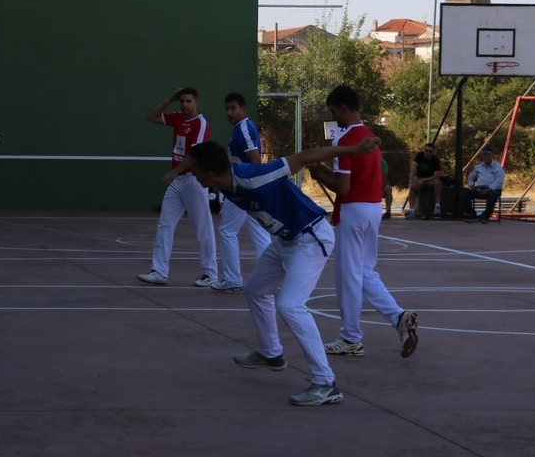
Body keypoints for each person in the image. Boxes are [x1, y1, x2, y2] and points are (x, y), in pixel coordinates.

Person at [188, 135, 380, 406]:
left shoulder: (256, 178)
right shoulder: (224, 179)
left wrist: (354, 149)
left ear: (208, 174)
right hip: (287, 240)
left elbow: (305, 156)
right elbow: (231, 160)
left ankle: (325, 383)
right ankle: (271, 353)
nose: (192, 174)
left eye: (194, 170)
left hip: (310, 237)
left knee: (290, 305)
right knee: (255, 289)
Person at [305, 85, 418, 360]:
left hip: (353, 210)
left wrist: (319, 173)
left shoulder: (346, 142)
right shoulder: (370, 137)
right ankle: (398, 317)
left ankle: (351, 337)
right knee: (365, 272)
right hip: (372, 208)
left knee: (348, 277)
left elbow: (342, 187)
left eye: (333, 111)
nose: (333, 117)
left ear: (343, 108)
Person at [138, 88, 218, 287]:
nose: (184, 105)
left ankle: (211, 273)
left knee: (203, 228)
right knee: (165, 224)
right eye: (181, 101)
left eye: (188, 101)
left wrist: (173, 172)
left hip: (194, 181)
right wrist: (170, 99)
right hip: (177, 183)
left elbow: (195, 155)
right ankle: (159, 271)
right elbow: (151, 116)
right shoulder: (177, 118)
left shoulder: (201, 124)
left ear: (196, 103)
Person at [208, 93, 273, 292]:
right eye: (227, 109)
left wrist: (245, 183)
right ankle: (271, 276)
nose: (229, 112)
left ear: (243, 109)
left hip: (241, 187)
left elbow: (255, 161)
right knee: (259, 231)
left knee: (227, 230)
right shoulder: (241, 127)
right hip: (249, 187)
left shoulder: (244, 128)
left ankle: (233, 279)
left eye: (233, 108)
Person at [462, 147, 506, 222]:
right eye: (484, 155)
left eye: (488, 155)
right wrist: (471, 185)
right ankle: (471, 214)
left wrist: (488, 189)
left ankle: (485, 216)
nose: (486, 157)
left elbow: (499, 181)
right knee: (464, 194)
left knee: (493, 195)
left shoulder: (498, 167)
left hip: (493, 189)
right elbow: (471, 177)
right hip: (480, 188)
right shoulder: (478, 167)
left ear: (491, 156)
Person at [405, 143, 442, 219]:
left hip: (429, 179)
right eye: (426, 151)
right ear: (424, 150)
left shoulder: (435, 160)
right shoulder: (420, 155)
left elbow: (436, 176)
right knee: (412, 188)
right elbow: (413, 167)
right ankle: (411, 210)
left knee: (437, 182)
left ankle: (437, 206)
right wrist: (411, 182)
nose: (428, 153)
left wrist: (423, 180)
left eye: (430, 152)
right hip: (419, 177)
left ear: (433, 152)